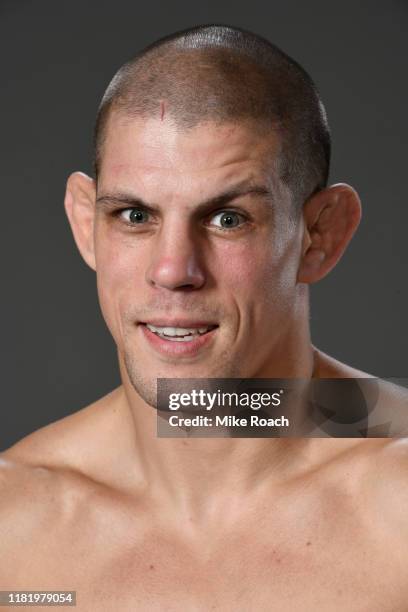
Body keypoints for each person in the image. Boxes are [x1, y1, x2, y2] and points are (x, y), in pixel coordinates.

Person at [1, 24, 407, 610]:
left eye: (227, 219)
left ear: (321, 235)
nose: (173, 271)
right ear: (85, 224)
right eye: (135, 215)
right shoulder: (16, 529)